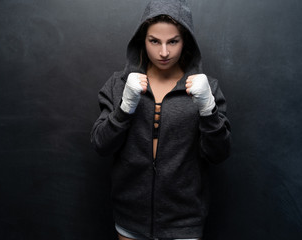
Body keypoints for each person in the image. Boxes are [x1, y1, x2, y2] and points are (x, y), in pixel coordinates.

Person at [90, 0, 231, 239]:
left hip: (185, 219)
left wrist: (208, 109)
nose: (164, 52)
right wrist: (125, 108)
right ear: (142, 41)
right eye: (154, 41)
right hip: (130, 216)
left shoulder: (207, 88)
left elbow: (219, 154)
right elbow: (101, 145)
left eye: (173, 41)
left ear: (185, 41)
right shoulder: (119, 85)